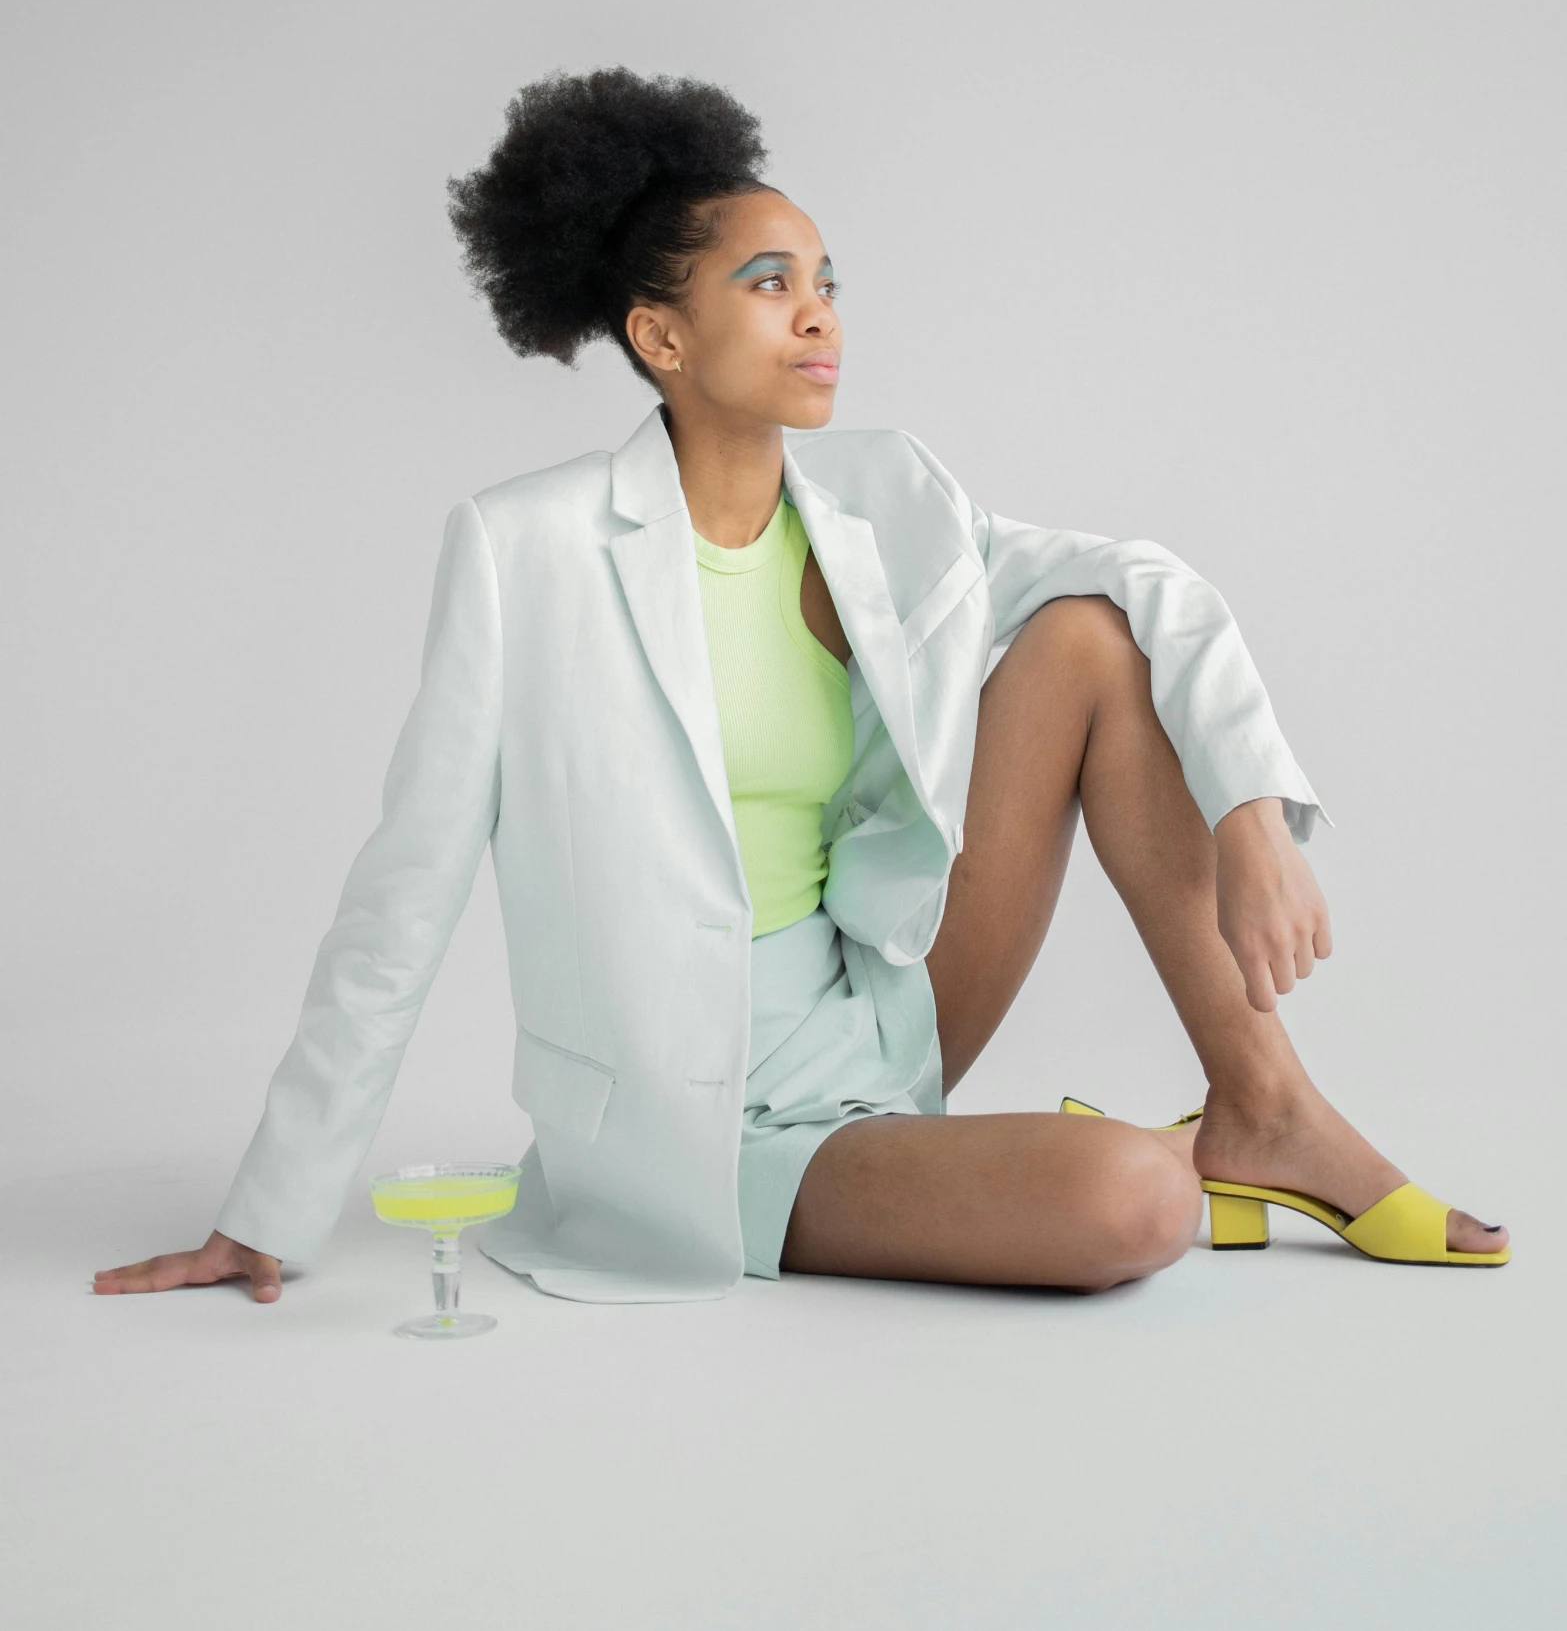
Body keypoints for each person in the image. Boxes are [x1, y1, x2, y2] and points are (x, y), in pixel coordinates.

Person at [93, 67, 1509, 1309]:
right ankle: (1135, 1157)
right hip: (707, 1122)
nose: (818, 316)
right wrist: (268, 1206)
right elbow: (403, 887)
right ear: (660, 336)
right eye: (768, 284)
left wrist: (1250, 806)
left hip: (886, 1017)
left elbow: (1142, 578)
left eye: (826, 281)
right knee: (1128, 1206)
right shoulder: (524, 549)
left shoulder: (883, 496)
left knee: (1082, 633)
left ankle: (1264, 1105)